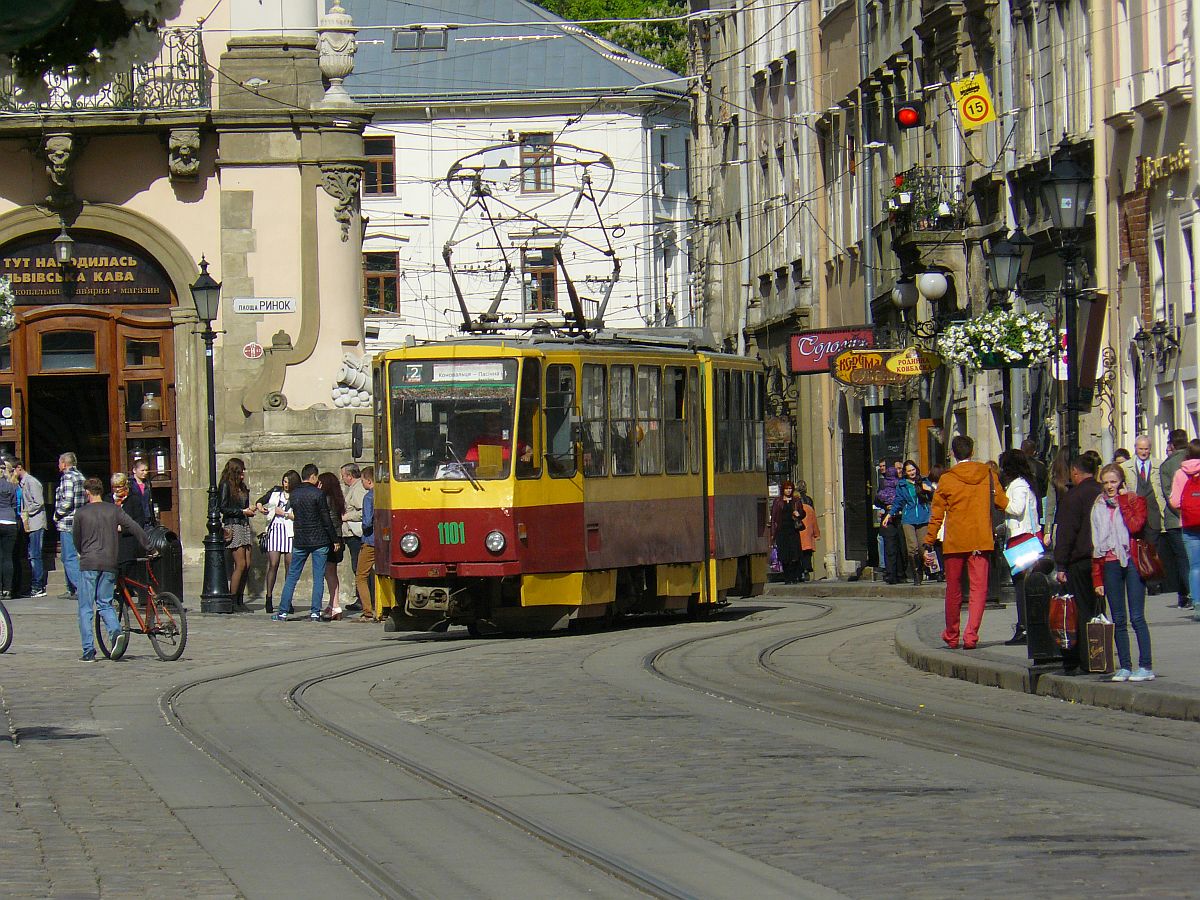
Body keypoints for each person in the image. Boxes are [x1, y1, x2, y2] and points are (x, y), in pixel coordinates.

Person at [923, 435, 1008, 650]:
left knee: (954, 589)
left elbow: (936, 514)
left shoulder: (947, 479)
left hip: (955, 541)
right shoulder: (987, 474)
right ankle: (971, 635)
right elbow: (1001, 501)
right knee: (979, 589)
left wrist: (929, 541)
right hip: (981, 539)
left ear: (952, 453)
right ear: (972, 452)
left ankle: (952, 634)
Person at [73, 477, 148, 661]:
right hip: (109, 563)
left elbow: (76, 538)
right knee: (105, 602)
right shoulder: (114, 510)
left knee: (85, 608)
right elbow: (135, 527)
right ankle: (115, 632)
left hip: (89, 562)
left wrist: (82, 552)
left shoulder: (81, 513)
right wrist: (149, 546)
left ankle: (88, 651)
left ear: (88, 493)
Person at [1091, 464, 1153, 682]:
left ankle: (1145, 666)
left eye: (1113, 482)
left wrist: (1124, 503)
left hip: (1133, 560)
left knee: (1137, 616)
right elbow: (1096, 544)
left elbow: (1136, 526)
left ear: (1121, 482)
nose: (1109, 487)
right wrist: (1097, 578)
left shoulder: (1134, 500)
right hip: (1109, 561)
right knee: (1118, 617)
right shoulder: (1098, 506)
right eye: (1106, 482)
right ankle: (1125, 666)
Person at [1052, 454, 1104, 675]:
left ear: (1075, 471)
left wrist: (1061, 564)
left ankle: (1086, 660)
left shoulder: (1073, 497)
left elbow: (1066, 533)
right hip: (1103, 559)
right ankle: (1102, 656)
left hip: (1080, 560)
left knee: (1081, 610)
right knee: (1100, 610)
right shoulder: (1102, 492)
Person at [274, 463, 340, 622]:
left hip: (301, 539)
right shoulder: (318, 494)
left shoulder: (294, 494)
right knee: (318, 577)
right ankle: (315, 612)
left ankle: (282, 611)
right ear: (313, 477)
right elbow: (326, 519)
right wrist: (334, 539)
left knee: (292, 576)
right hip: (319, 539)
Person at [999, 449, 1041, 646]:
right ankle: (1025, 625)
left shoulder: (1018, 485)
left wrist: (998, 498)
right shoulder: (1024, 483)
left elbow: (1016, 508)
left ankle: (1025, 626)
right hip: (1021, 536)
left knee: (1022, 586)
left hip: (1022, 539)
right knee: (1022, 585)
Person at [1121, 436, 1165, 592]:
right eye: (1141, 449)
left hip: (1153, 514)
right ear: (1135, 448)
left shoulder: (1159, 465)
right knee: (1137, 548)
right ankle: (1140, 580)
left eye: (1146, 449)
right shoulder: (1126, 467)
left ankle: (1153, 582)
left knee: (1152, 548)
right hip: (1135, 515)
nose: (1144, 452)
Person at [256, 470, 299, 614]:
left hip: (290, 531)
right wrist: (260, 507)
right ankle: (269, 597)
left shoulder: (297, 495)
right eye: (284, 481)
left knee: (289, 566)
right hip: (275, 529)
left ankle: (287, 600)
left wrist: (285, 513)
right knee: (273, 564)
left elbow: (299, 516)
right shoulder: (275, 492)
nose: (285, 484)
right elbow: (261, 501)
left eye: (287, 482)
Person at [1167, 438, 1200, 623]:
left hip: (1187, 524)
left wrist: (1187, 509)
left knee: (1195, 567)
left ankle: (1197, 604)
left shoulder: (1180, 473)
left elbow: (1174, 501)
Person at [1159, 429, 1192, 610]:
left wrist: (1179, 512)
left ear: (1171, 444)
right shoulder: (1193, 459)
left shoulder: (1167, 466)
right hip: (1195, 517)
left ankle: (1187, 594)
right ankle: (1186, 593)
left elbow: (1168, 494)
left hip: (1174, 519)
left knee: (1181, 559)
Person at [886, 460, 933, 586]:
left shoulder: (924, 481)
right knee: (912, 548)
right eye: (909, 471)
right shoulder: (902, 485)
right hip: (908, 519)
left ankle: (923, 569)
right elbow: (898, 502)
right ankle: (916, 574)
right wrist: (889, 515)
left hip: (923, 518)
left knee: (923, 549)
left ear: (916, 469)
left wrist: (929, 489)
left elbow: (936, 496)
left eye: (913, 470)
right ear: (905, 473)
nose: (912, 473)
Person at [218, 458, 255, 609]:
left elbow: (244, 505)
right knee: (239, 564)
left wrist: (250, 510)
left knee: (247, 564)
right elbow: (223, 507)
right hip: (234, 525)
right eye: (240, 472)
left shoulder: (242, 487)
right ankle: (232, 600)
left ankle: (240, 598)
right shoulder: (226, 485)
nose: (242, 475)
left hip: (244, 525)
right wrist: (241, 511)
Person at [53, 451, 86, 600]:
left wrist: (56, 514)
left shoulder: (67, 477)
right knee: (69, 555)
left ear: (64, 464)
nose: (58, 465)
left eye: (59, 462)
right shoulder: (81, 476)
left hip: (67, 522)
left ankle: (79, 588)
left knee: (69, 556)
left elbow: (67, 501)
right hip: (79, 520)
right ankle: (70, 588)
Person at [12, 460, 46, 598]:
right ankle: (33, 585)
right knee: (31, 554)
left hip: (36, 523)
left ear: (19, 468)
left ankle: (38, 586)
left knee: (35, 555)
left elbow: (39, 502)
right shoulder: (21, 483)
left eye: (13, 469)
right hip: (29, 524)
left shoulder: (32, 482)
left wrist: (25, 512)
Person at [318, 471, 348, 620]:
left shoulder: (326, 499)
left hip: (331, 539)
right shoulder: (337, 499)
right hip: (337, 538)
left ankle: (335, 605)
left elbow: (329, 521)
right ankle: (332, 603)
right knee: (331, 572)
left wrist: (333, 539)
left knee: (329, 573)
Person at [339, 463, 366, 612]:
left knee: (359, 567)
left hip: (356, 535)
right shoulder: (354, 488)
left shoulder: (358, 489)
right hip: (351, 535)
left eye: (343, 475)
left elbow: (363, 511)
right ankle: (360, 597)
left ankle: (363, 599)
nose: (342, 478)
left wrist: (346, 516)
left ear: (349, 476)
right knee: (356, 566)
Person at [875, 459, 904, 584]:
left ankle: (892, 573)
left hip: (889, 518)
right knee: (898, 546)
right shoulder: (901, 484)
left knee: (890, 547)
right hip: (897, 518)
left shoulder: (884, 485)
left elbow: (876, 500)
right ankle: (898, 573)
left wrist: (885, 505)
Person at [770, 481, 805, 584]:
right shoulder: (778, 501)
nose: (788, 490)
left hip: (793, 530)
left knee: (794, 554)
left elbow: (803, 513)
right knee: (784, 555)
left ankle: (794, 577)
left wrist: (798, 514)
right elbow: (774, 518)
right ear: (783, 490)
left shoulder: (796, 501)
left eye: (790, 488)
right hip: (782, 531)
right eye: (786, 489)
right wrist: (773, 533)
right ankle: (787, 577)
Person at [354, 466, 377, 620]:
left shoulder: (369, 497)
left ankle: (367, 610)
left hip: (370, 540)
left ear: (368, 481)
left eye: (362, 480)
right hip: (384, 541)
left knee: (361, 576)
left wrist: (362, 526)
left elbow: (367, 522)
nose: (361, 483)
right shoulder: (384, 494)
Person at [0, 466, 18, 600]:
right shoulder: (11, 486)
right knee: (7, 557)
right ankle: (7, 589)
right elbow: (14, 504)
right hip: (10, 521)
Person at [797, 492, 821, 582]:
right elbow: (814, 523)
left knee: (799, 556)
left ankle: (801, 572)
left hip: (798, 536)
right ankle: (806, 569)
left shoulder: (794, 508)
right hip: (808, 536)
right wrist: (817, 534)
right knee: (807, 555)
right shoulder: (809, 509)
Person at [129, 458, 155, 526]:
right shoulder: (129, 484)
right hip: (134, 518)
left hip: (147, 518)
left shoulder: (148, 483)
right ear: (134, 470)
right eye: (142, 470)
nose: (145, 472)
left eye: (146, 470)